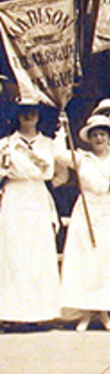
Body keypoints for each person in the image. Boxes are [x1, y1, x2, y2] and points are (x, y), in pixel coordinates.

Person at [56, 114, 110, 331]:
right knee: (86, 262)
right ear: (89, 139)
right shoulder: (82, 158)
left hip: (108, 211)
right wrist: (62, 128)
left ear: (109, 137)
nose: (99, 138)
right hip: (86, 210)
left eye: (103, 134)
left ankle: (104, 312)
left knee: (106, 263)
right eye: (95, 135)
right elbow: (58, 154)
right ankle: (85, 314)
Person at [0, 103, 61, 326]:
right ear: (16, 115)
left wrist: (63, 131)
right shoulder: (6, 144)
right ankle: (11, 314)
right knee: (13, 254)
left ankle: (40, 313)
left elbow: (61, 172)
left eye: (33, 111)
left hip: (37, 196)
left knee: (38, 253)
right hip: (15, 195)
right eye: (24, 111)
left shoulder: (49, 144)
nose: (28, 115)